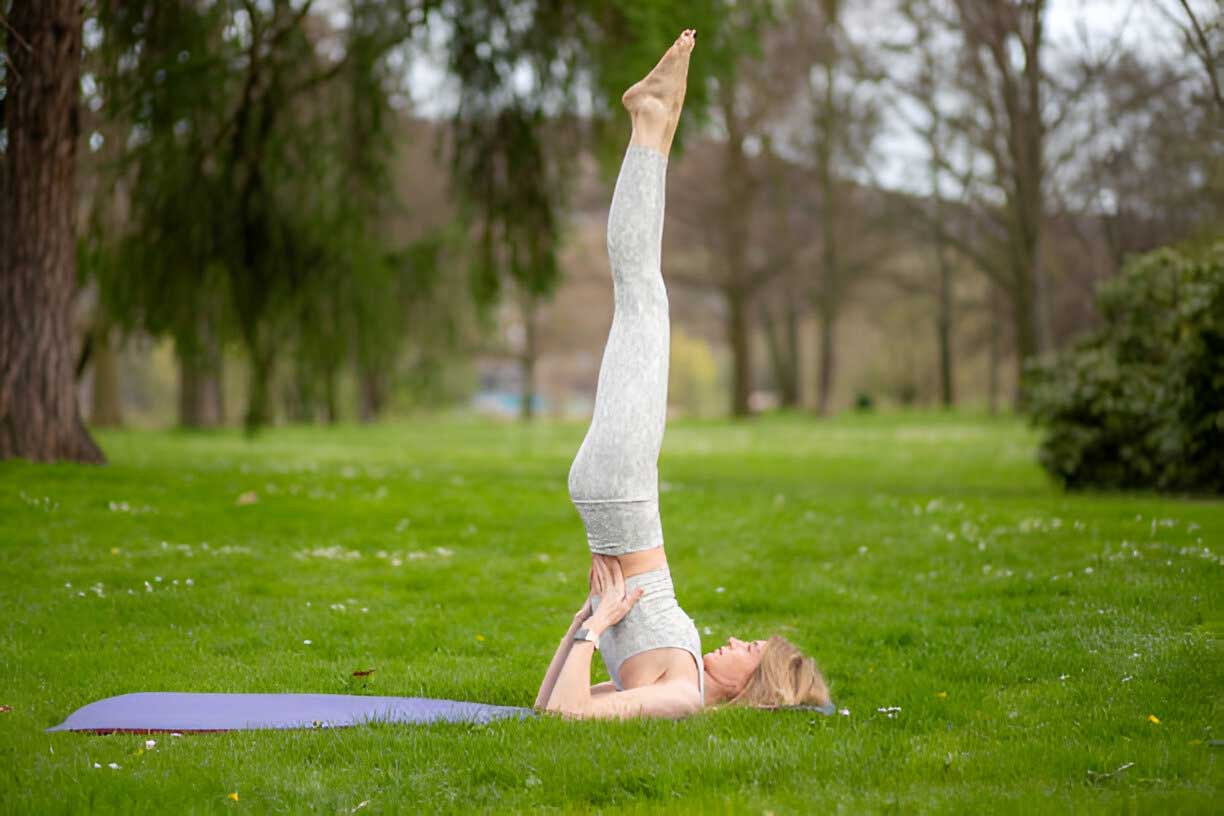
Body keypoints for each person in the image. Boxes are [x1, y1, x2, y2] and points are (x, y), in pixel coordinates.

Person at [532, 30, 832, 720]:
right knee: (639, 291)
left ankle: (653, 121)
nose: (732, 641)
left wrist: (596, 624)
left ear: (750, 686)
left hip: (625, 499)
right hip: (616, 503)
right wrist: (589, 613)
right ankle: (652, 122)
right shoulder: (679, 680)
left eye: (748, 649)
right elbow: (548, 702)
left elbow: (562, 717)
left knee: (642, 292)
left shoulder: (683, 697)